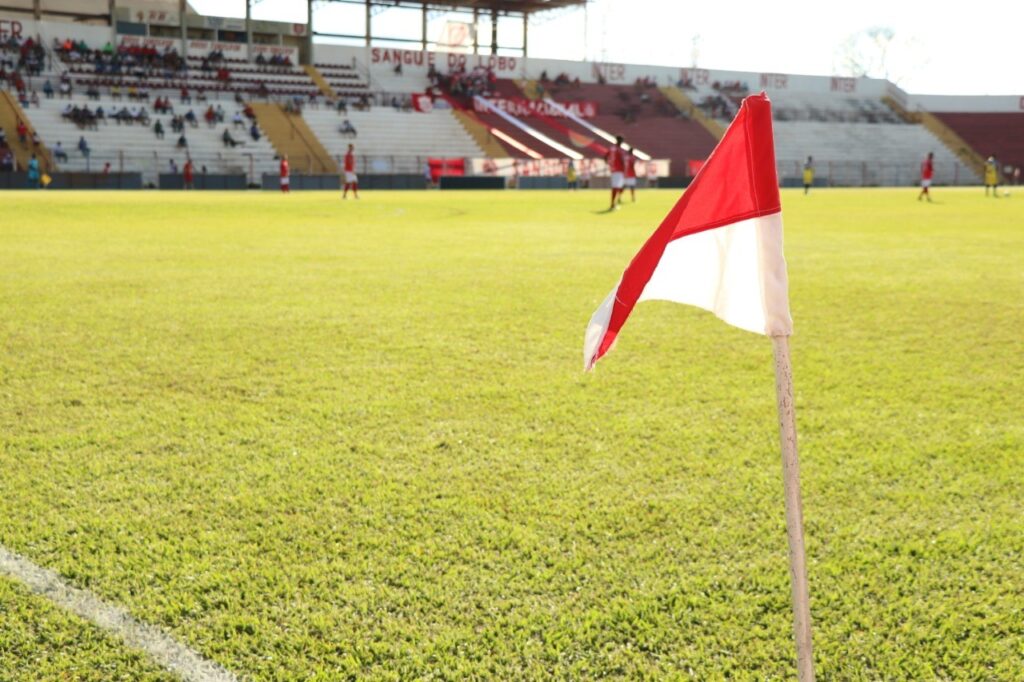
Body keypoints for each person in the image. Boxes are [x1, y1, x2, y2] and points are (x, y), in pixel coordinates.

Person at [606, 136, 625, 210]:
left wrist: (610, 164)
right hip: (619, 170)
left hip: (613, 170)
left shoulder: (612, 148)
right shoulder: (619, 150)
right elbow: (622, 160)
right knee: (616, 187)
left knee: (616, 187)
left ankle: (614, 203)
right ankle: (613, 204)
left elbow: (605, 156)